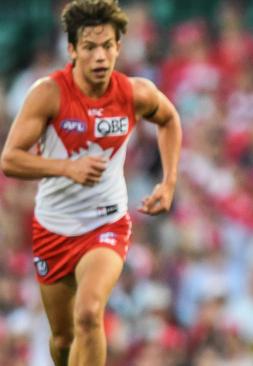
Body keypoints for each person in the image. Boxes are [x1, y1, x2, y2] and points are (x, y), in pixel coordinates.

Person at [0, 1, 182, 365]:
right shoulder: (48, 94)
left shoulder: (134, 93)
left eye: (107, 46)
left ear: (119, 46)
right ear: (72, 49)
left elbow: (169, 119)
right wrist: (67, 169)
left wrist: (169, 182)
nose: (100, 56)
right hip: (54, 228)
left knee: (89, 311)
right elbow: (10, 160)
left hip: (106, 222)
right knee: (64, 338)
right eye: (89, 47)